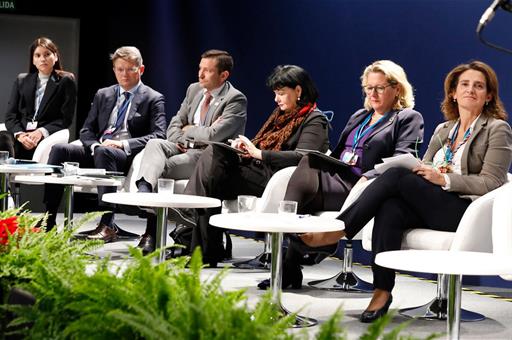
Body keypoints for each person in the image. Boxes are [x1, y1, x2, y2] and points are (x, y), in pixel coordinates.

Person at [293, 60, 512, 323]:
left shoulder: (497, 129)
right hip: (436, 203)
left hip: (465, 211)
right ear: (453, 92)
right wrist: (425, 172)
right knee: (391, 207)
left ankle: (339, 229)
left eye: (479, 86)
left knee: (396, 175)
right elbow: (427, 164)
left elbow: (493, 182)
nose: (470, 90)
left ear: (489, 95)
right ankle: (382, 291)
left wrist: (444, 180)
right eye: (464, 84)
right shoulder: (445, 130)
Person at [258, 59, 424, 290]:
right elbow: (338, 154)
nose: (373, 93)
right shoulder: (360, 116)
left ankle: (292, 260)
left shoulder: (407, 118)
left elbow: (402, 160)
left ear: (396, 89)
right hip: (339, 176)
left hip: (364, 186)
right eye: (369, 88)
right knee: (309, 161)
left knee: (307, 166)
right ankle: (295, 256)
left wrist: (370, 176)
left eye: (379, 88)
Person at [173, 65, 330, 267]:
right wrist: (245, 147)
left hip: (279, 180)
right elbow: (261, 143)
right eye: (275, 93)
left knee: (214, 158)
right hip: (260, 171)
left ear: (298, 91)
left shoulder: (315, 120)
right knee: (213, 171)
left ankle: (192, 223)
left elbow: (304, 157)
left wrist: (259, 153)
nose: (277, 99)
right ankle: (203, 252)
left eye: (281, 93)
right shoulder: (279, 115)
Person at [43, 46, 167, 237]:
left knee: (105, 152)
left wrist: (122, 144)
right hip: (99, 150)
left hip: (125, 155)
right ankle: (48, 219)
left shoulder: (153, 98)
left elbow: (159, 135)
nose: (124, 74)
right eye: (119, 69)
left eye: (130, 69)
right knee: (59, 149)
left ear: (140, 69)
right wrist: (94, 145)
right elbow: (86, 130)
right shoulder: (104, 94)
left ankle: (107, 223)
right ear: (114, 70)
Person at [135, 50, 247, 254]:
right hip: (181, 146)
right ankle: (144, 188)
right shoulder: (194, 90)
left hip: (206, 157)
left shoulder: (235, 99)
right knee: (154, 144)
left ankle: (152, 232)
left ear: (223, 75)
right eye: (200, 68)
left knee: (163, 169)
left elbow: (213, 136)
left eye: (208, 71)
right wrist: (186, 134)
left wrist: (189, 130)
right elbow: (173, 127)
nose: (201, 74)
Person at [0, 37, 77, 159]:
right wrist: (20, 135)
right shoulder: (22, 80)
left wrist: (41, 132)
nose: (42, 59)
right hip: (22, 136)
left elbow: (65, 119)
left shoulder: (66, 80)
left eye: (47, 54)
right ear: (33, 60)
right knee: (3, 137)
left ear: (55, 57)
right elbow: (11, 116)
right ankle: (5, 176)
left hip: (45, 137)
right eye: (38, 55)